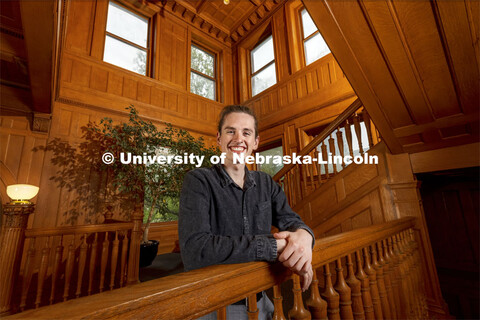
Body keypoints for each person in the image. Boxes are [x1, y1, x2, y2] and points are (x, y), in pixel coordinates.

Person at [178, 105, 315, 319]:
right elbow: (196, 251)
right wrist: (272, 246)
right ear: (219, 139)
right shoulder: (198, 180)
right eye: (230, 131)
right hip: (213, 304)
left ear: (255, 143)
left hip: (260, 300)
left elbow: (292, 221)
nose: (238, 138)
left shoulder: (266, 183)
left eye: (246, 132)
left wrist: (305, 238)